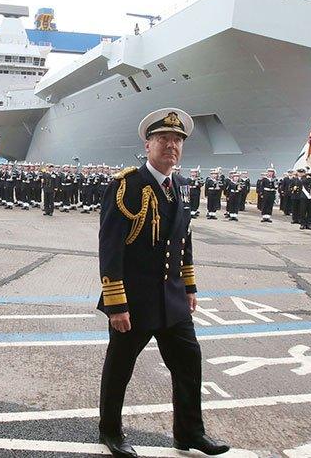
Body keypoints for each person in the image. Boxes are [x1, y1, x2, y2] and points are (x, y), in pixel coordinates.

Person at [97, 108, 229, 457]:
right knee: (120, 369)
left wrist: (189, 287)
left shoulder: (183, 186)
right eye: (164, 139)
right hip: (134, 301)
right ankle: (110, 432)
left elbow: (183, 241)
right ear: (148, 144)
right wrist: (116, 305)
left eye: (177, 140)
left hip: (171, 299)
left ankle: (189, 433)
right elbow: (110, 249)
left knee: (189, 364)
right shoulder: (126, 185)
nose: (171, 146)